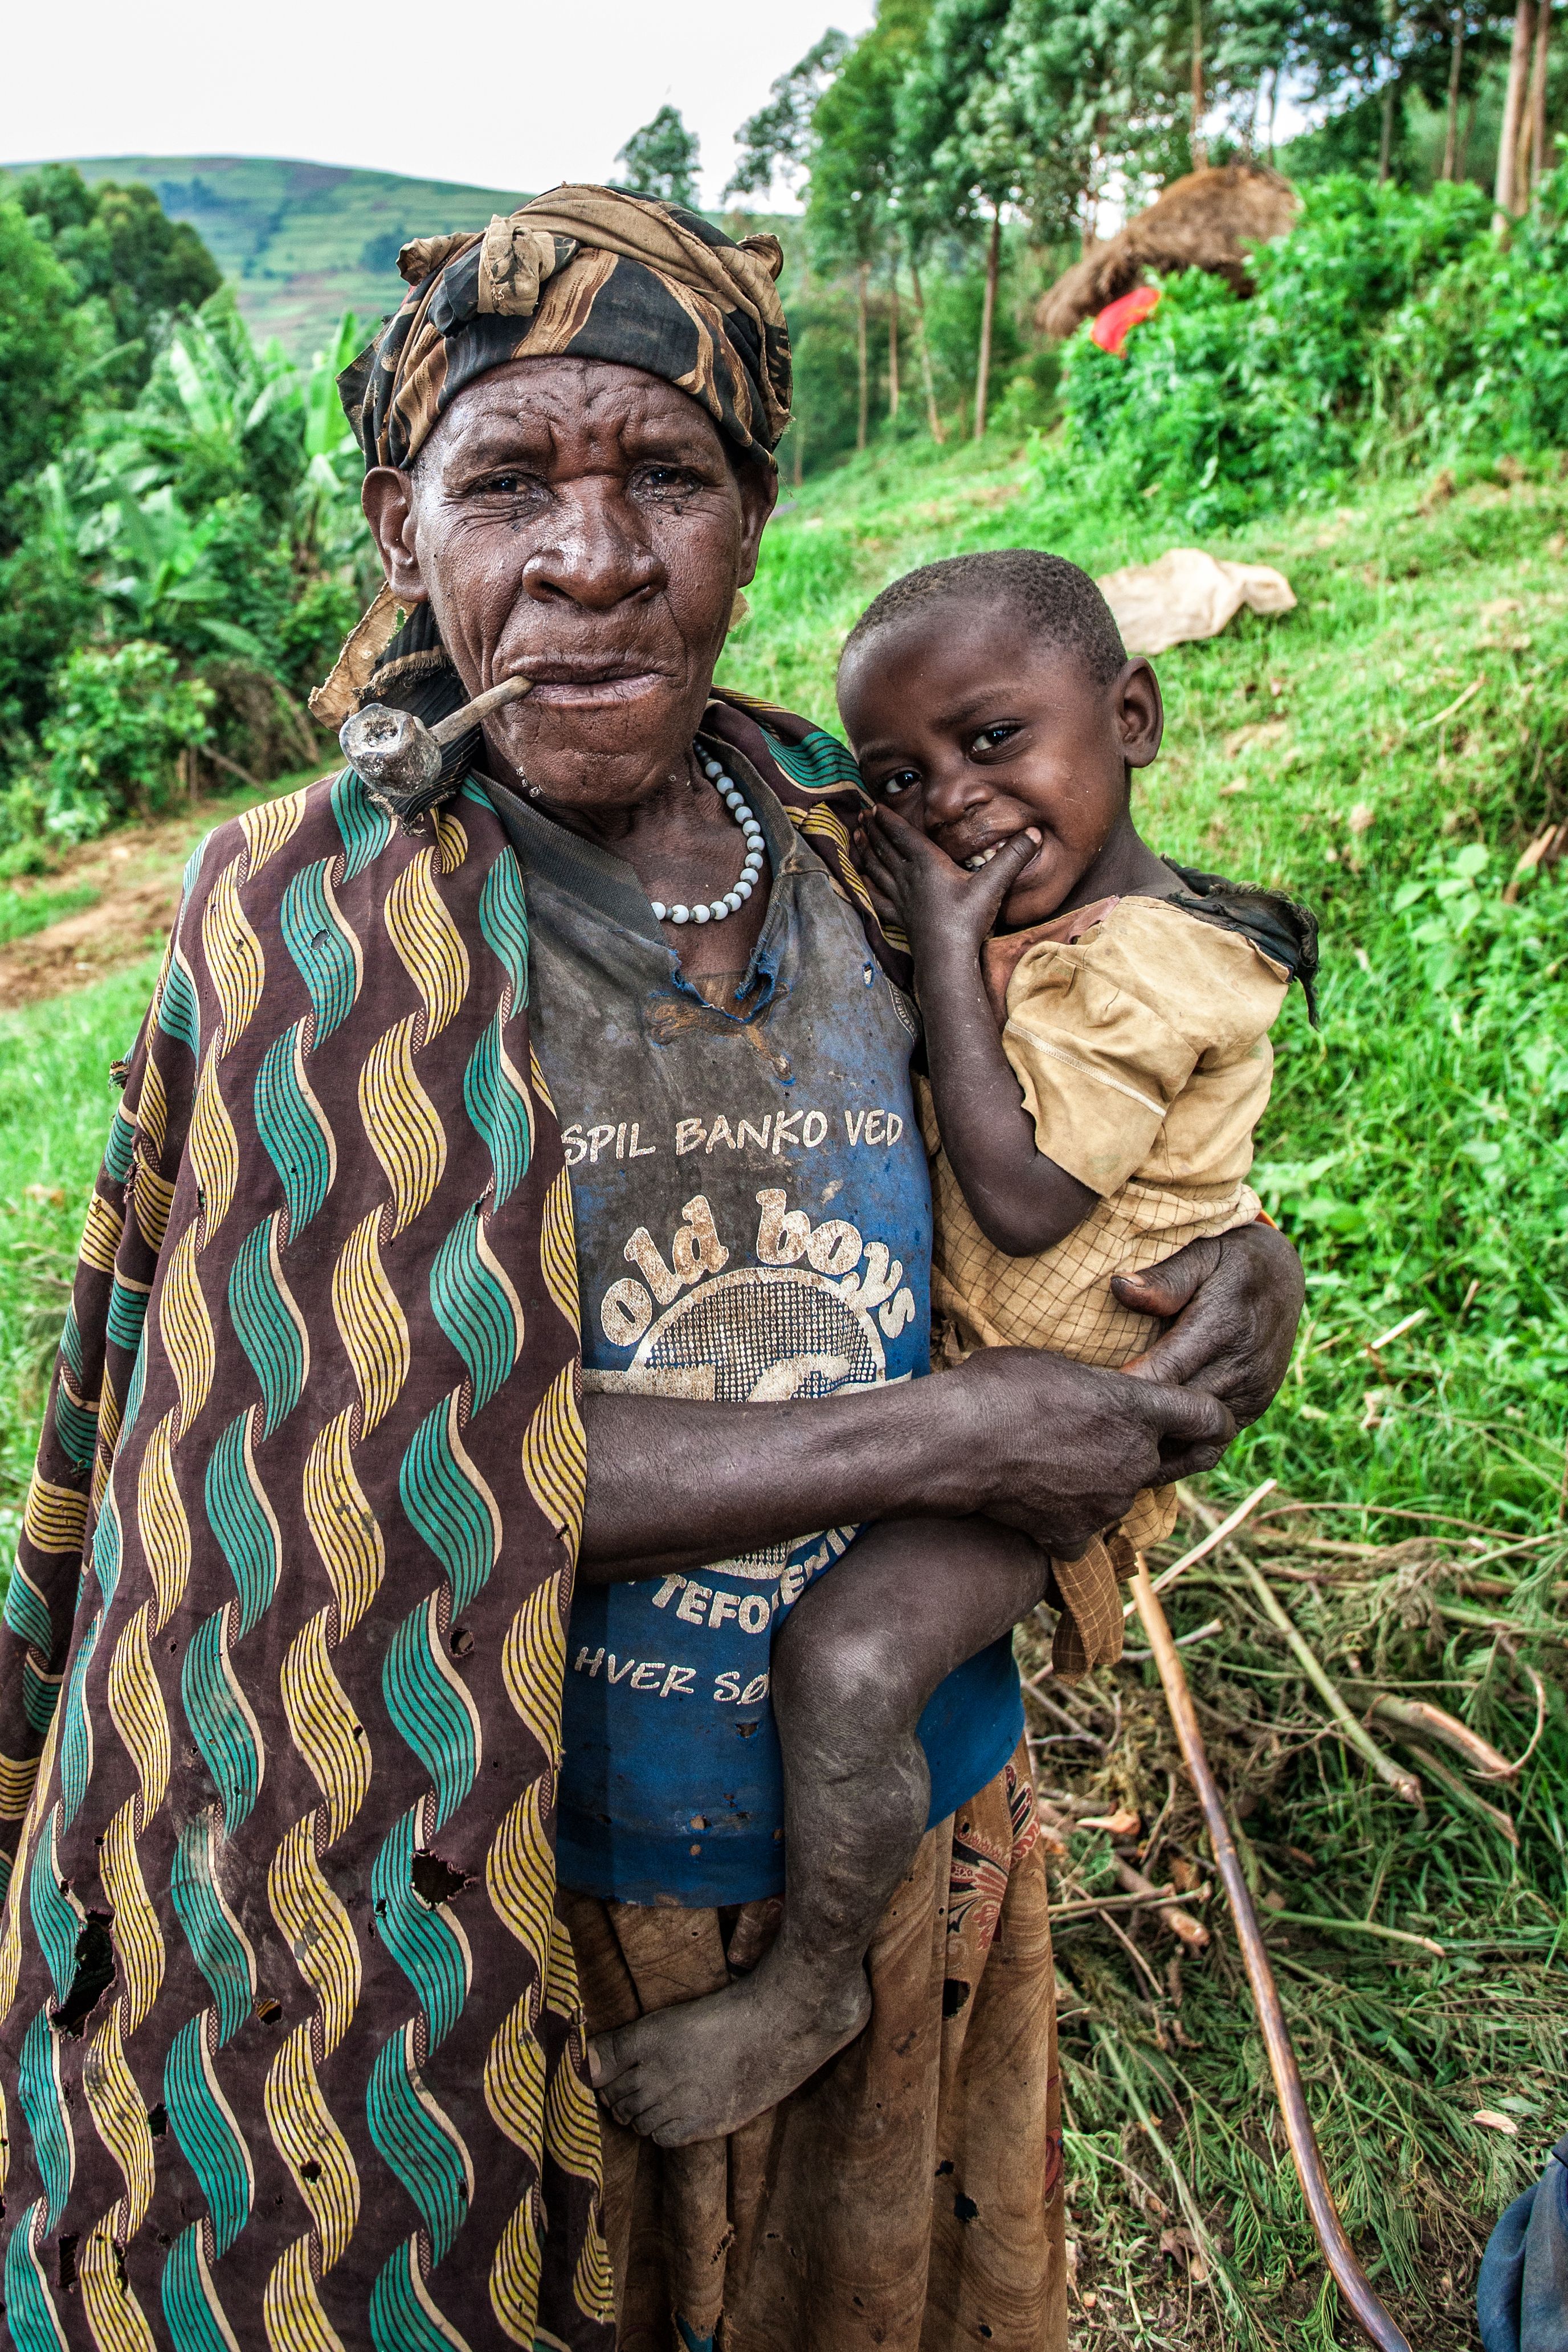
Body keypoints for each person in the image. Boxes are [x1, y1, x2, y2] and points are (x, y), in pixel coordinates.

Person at [0, 187, 1302, 2352]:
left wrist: (1241, 1260)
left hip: (900, 1852)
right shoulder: (304, 933)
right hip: (511, 1920)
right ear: (405, 525)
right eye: (508, 480)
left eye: (666, 478)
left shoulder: (858, 825)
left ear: (753, 511)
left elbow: (1102, 1104)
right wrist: (965, 1428)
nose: (593, 560)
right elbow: (367, 1463)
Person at [589, 548, 1317, 2157]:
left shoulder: (1133, 958)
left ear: (1131, 714)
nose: (956, 804)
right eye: (904, 777)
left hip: (1062, 1426)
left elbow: (1021, 1190)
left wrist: (939, 940)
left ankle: (814, 1982)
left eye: (996, 742)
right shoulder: (1015, 911)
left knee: (849, 1662)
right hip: (981, 1402)